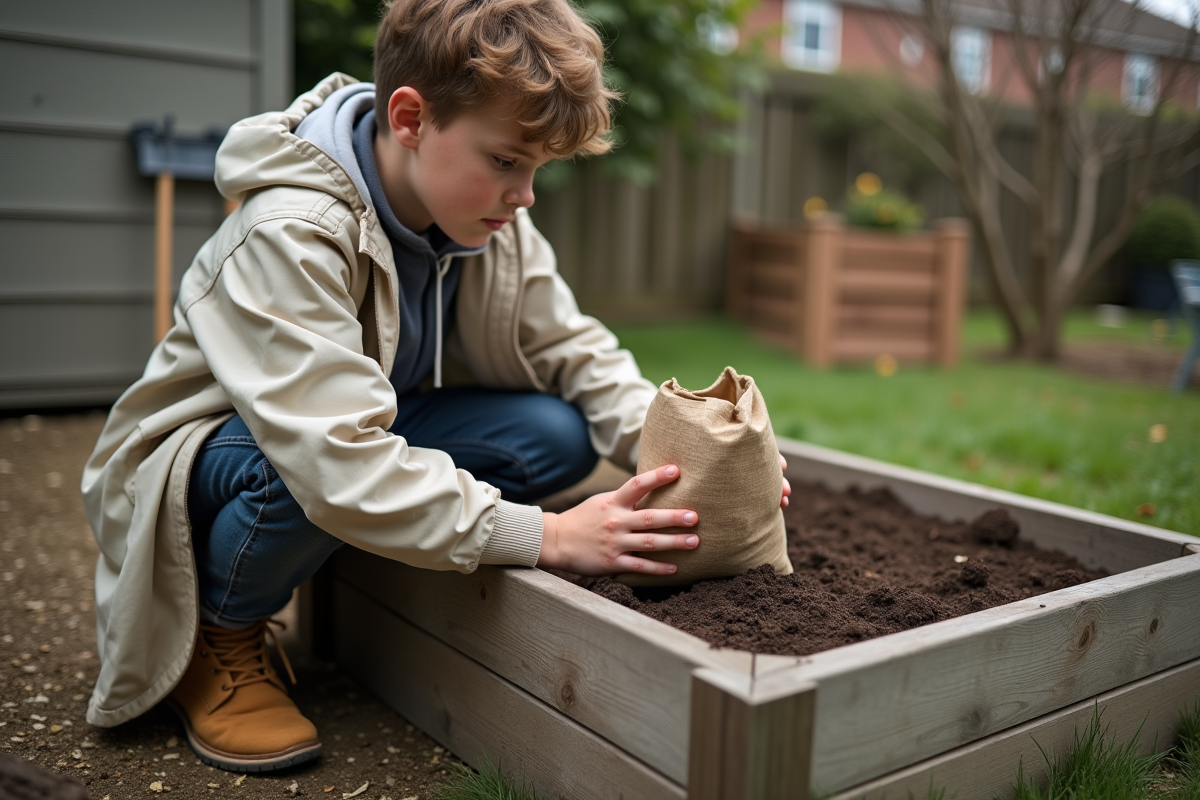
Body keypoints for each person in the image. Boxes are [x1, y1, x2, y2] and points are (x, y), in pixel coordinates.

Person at [81, 0, 789, 774]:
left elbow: (573, 350)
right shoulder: (291, 230)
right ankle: (218, 633)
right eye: (508, 161)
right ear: (412, 118)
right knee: (299, 473)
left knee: (554, 433)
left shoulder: (486, 220)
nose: (524, 197)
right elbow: (330, 452)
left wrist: (695, 458)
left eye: (537, 170)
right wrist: (547, 537)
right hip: (217, 459)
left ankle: (382, 531)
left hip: (348, 436)